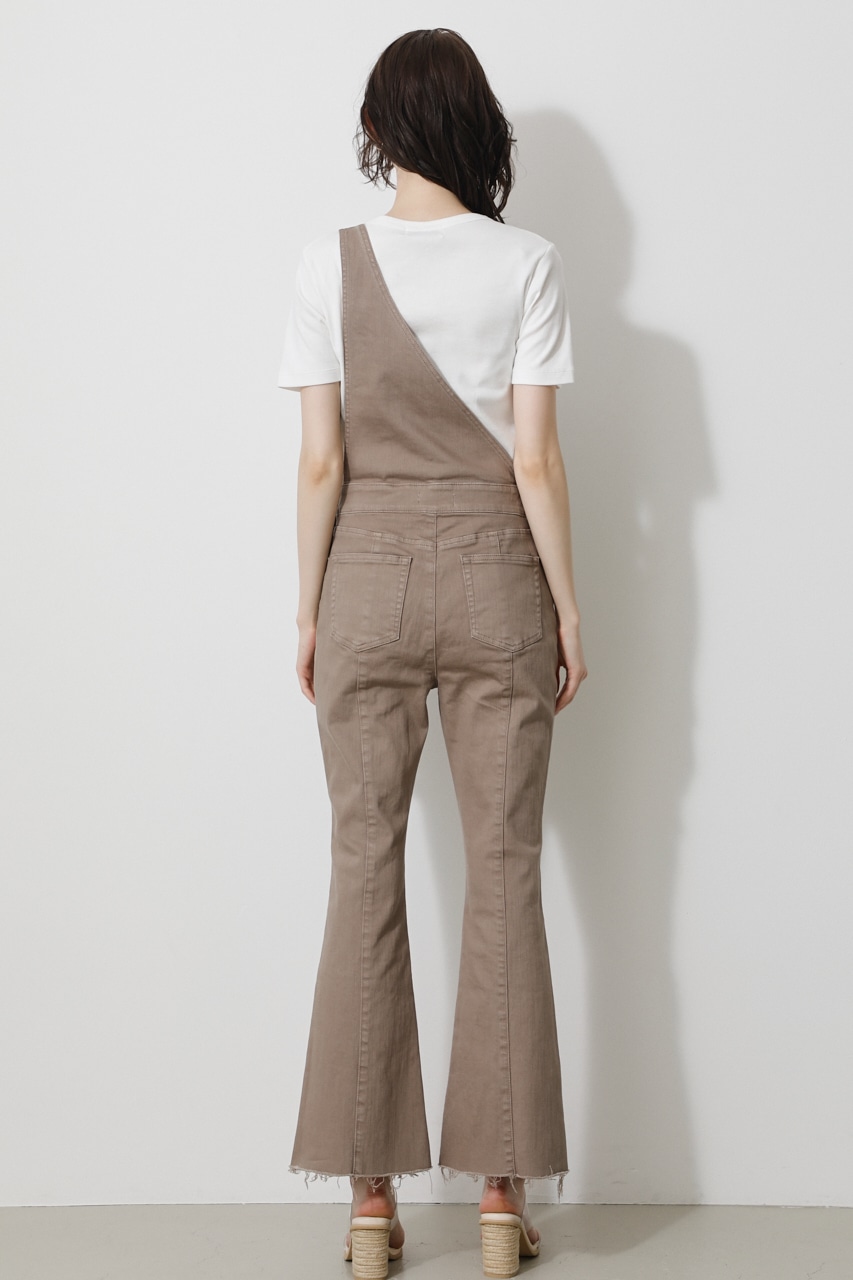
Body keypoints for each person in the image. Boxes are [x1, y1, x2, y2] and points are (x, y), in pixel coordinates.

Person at [277, 27, 587, 1280]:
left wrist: (309, 608)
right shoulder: (528, 262)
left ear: (377, 128)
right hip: (497, 571)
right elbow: (536, 458)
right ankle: (501, 1202)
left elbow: (321, 461)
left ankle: (369, 1208)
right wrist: (567, 607)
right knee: (504, 867)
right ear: (474, 126)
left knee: (363, 863)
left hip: (364, 571)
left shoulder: (326, 262)